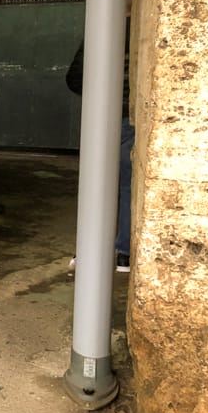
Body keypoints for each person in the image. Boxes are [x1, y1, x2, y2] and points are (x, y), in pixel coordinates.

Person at [65, 21, 133, 273]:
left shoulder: (101, 26)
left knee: (98, 186)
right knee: (128, 186)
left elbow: (73, 78)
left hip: (103, 117)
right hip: (134, 116)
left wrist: (100, 93)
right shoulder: (149, 26)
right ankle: (123, 254)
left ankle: (90, 249)